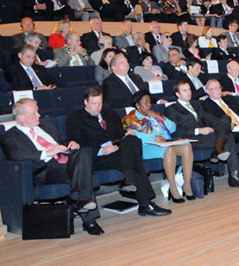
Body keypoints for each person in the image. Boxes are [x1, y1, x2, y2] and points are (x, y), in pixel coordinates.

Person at [1, 99, 103, 235]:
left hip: (65, 161)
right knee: (80, 170)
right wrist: (47, 153)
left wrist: (72, 143)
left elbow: (64, 142)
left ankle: (83, 199)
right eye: (34, 113)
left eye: (37, 111)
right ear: (21, 117)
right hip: (44, 169)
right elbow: (15, 154)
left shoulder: (47, 126)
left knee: (79, 154)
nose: (39, 115)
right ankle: (88, 217)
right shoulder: (9, 135)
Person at [67, 88, 171, 216]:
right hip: (98, 157)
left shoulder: (111, 115)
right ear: (85, 102)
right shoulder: (75, 118)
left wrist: (128, 134)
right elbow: (78, 146)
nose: (98, 107)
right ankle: (144, 201)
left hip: (118, 151)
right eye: (94, 104)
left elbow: (121, 136)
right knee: (134, 160)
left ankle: (130, 180)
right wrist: (101, 151)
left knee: (132, 139)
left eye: (100, 103)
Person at [165, 81, 239, 188]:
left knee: (226, 119)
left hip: (205, 137)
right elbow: (174, 132)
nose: (188, 92)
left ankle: (219, 152)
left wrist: (224, 125)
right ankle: (234, 175)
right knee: (228, 136)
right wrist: (198, 130)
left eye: (189, 89)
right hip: (190, 139)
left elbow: (211, 119)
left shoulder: (196, 105)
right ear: (177, 94)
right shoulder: (171, 109)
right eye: (184, 90)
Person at [122, 91, 194, 203]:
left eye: (150, 102)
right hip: (145, 146)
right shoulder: (130, 118)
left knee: (187, 146)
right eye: (145, 103)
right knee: (168, 149)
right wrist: (153, 137)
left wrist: (159, 117)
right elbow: (132, 135)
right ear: (137, 105)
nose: (149, 105)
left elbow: (173, 127)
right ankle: (173, 188)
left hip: (164, 143)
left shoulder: (154, 114)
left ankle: (187, 186)